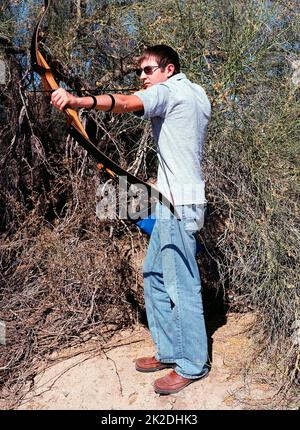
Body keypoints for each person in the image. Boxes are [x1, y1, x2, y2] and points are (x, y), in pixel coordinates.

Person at [51, 44, 211, 395]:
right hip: (178, 200)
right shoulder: (197, 93)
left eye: (147, 70)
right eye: (140, 72)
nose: (142, 78)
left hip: (177, 206)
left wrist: (78, 102)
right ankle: (170, 350)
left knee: (180, 285)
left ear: (168, 69)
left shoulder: (168, 91)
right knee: (154, 274)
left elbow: (126, 103)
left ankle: (192, 364)